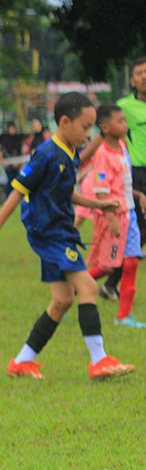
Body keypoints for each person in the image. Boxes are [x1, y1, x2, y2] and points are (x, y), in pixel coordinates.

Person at [0, 92, 134, 380]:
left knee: (62, 300)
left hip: (61, 230)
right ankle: (99, 360)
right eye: (85, 127)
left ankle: (22, 361)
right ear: (65, 122)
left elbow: (63, 193)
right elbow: (17, 191)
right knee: (89, 287)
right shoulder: (45, 153)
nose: (88, 134)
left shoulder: (69, 152)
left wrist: (99, 204)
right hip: (47, 233)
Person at [84, 104, 146, 327]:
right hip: (114, 217)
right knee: (109, 266)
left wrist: (137, 195)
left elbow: (122, 183)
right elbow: (101, 190)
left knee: (131, 262)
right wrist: (111, 218)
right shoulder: (102, 154)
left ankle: (124, 317)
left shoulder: (122, 147)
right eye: (120, 121)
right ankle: (73, 286)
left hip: (129, 215)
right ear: (105, 127)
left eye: (125, 120)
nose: (125, 125)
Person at [103, 56, 146, 299]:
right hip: (138, 173)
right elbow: (106, 136)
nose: (144, 76)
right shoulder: (123, 107)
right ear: (132, 80)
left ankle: (109, 280)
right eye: (139, 73)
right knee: (138, 231)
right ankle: (108, 279)